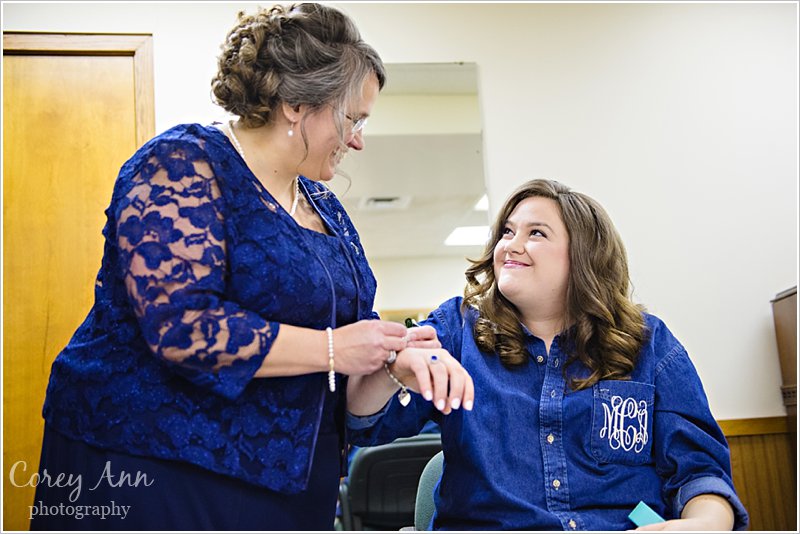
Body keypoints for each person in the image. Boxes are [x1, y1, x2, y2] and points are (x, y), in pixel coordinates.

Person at [31, 3, 471, 530]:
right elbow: (182, 328)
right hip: (156, 464)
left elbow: (347, 363)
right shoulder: (181, 164)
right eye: (352, 118)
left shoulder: (326, 209)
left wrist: (394, 361)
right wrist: (337, 348)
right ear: (296, 105)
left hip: (290, 485)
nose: (358, 139)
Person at [348, 179, 749, 531]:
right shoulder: (456, 330)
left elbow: (701, 472)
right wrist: (393, 372)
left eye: (536, 233)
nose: (511, 245)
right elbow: (365, 425)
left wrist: (704, 524)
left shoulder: (647, 343)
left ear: (584, 258)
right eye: (507, 231)